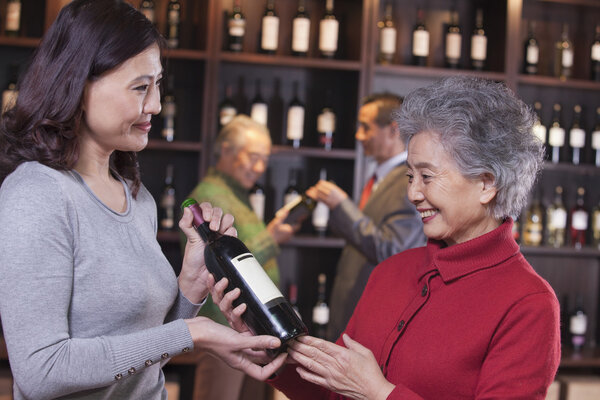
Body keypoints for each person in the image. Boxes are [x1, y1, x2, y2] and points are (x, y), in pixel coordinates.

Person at [0, 1, 286, 399]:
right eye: (140, 87)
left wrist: (191, 287)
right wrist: (191, 332)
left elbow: (143, 354)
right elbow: (41, 370)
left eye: (158, 85)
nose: (154, 104)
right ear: (79, 85)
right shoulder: (36, 195)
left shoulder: (137, 197)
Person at [214, 76, 561, 399]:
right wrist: (264, 345)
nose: (413, 193)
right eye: (410, 175)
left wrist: (380, 394)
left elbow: (366, 390)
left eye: (427, 176)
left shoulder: (528, 304)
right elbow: (335, 392)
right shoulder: (390, 272)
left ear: (486, 184)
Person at [186, 114, 297, 400]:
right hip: (223, 328)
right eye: (253, 156)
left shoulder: (236, 194)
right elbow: (224, 260)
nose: (259, 167)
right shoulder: (211, 194)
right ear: (226, 150)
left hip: (246, 328)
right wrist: (272, 238)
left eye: (265, 159)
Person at [306, 93, 425, 341]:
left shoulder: (407, 180)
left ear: (393, 130)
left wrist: (342, 207)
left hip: (376, 322)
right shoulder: (381, 178)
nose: (358, 136)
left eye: (365, 128)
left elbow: (394, 250)